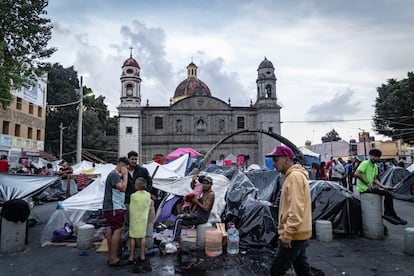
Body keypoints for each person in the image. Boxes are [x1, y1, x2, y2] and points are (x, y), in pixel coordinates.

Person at [266, 146, 312, 276]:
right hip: (299, 233)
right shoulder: (293, 176)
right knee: (302, 267)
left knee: (276, 270)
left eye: (276, 160)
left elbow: (296, 208)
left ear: (286, 159)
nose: (273, 164)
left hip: (294, 235)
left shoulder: (294, 177)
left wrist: (288, 234)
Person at [354, 149, 407, 225]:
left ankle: (392, 214)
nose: (378, 158)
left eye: (378, 157)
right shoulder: (365, 163)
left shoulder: (375, 166)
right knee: (388, 194)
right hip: (364, 188)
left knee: (388, 192)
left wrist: (384, 186)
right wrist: (367, 183)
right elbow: (357, 174)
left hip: (370, 187)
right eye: (376, 157)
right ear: (371, 156)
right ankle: (389, 214)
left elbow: (375, 179)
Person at [121, 151, 153, 255]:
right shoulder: (123, 171)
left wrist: (146, 192)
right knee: (128, 224)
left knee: (142, 224)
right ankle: (126, 245)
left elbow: (149, 181)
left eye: (136, 159)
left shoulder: (142, 170)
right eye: (132, 159)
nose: (134, 161)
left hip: (140, 203)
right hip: (128, 201)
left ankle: (141, 247)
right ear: (128, 159)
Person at [103, 157, 129, 267]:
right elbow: (122, 188)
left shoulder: (113, 175)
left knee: (111, 230)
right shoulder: (114, 175)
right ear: (122, 166)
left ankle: (111, 256)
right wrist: (126, 175)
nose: (126, 170)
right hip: (114, 208)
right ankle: (113, 258)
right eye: (126, 168)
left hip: (111, 208)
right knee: (118, 229)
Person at [173, 175, 215, 241]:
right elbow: (193, 188)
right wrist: (189, 199)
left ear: (211, 184)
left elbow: (206, 208)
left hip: (202, 217)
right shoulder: (203, 192)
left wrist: (196, 201)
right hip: (197, 214)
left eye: (207, 184)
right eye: (204, 183)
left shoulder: (210, 194)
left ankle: (175, 239)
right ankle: (177, 238)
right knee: (179, 216)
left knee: (179, 220)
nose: (205, 185)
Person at [128, 177, 151, 264]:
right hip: (143, 218)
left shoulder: (133, 196)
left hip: (134, 219)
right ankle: (142, 255)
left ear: (137, 185)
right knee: (142, 236)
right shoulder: (148, 195)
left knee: (132, 236)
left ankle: (131, 256)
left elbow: (132, 208)